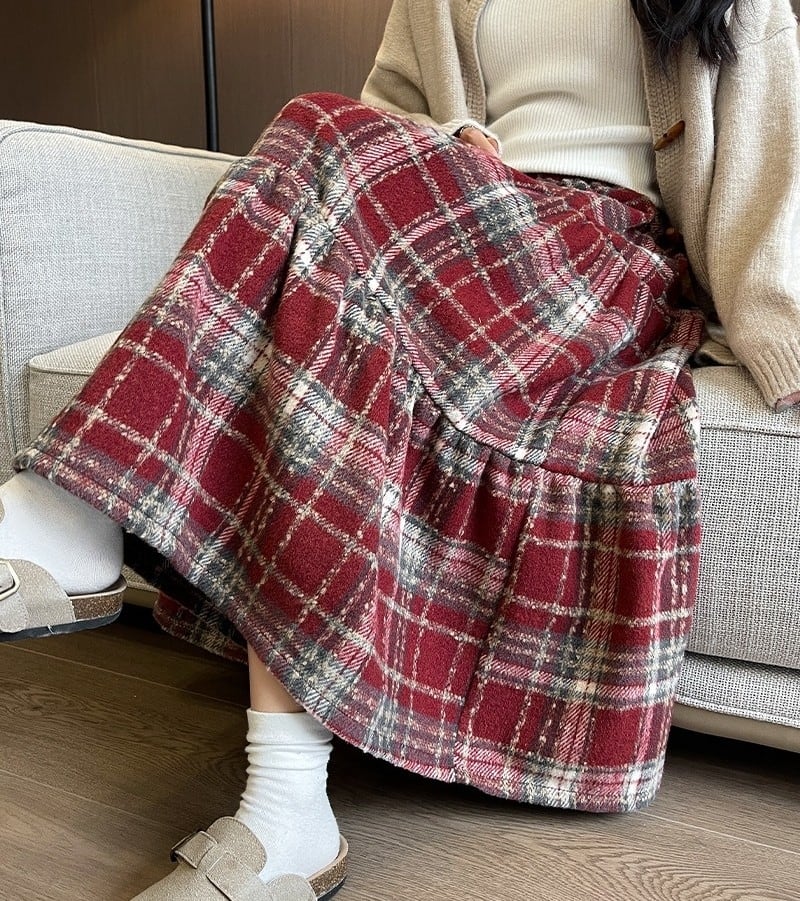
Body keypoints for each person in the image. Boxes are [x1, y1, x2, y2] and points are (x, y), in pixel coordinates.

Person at [2, 1, 799, 898]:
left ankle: (72, 514)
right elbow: (387, 116)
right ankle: (286, 810)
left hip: (595, 261)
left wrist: (782, 340)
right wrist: (452, 139)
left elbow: (768, 164)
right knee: (320, 343)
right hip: (452, 229)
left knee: (312, 126)